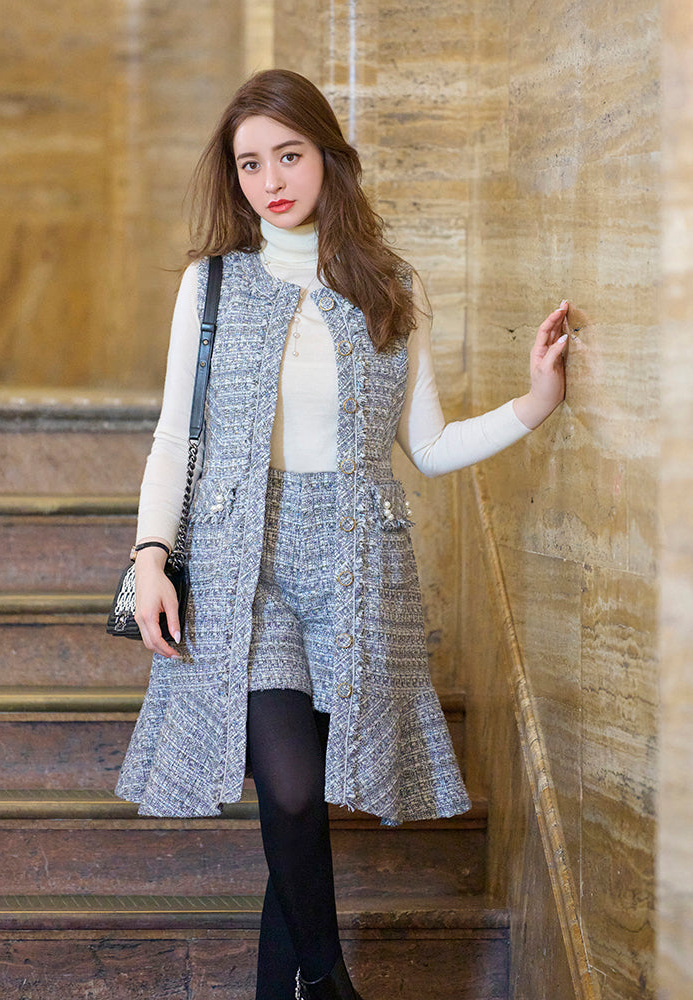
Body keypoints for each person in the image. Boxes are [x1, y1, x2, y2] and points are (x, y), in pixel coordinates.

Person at [114, 69, 568, 1000]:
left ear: (327, 156)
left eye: (288, 155)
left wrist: (535, 402)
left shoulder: (388, 286)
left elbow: (428, 448)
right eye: (249, 164)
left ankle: (286, 990)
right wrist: (150, 555)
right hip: (244, 564)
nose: (270, 181)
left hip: (358, 567)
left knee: (305, 809)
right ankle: (330, 983)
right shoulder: (211, 285)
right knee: (288, 789)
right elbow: (174, 436)